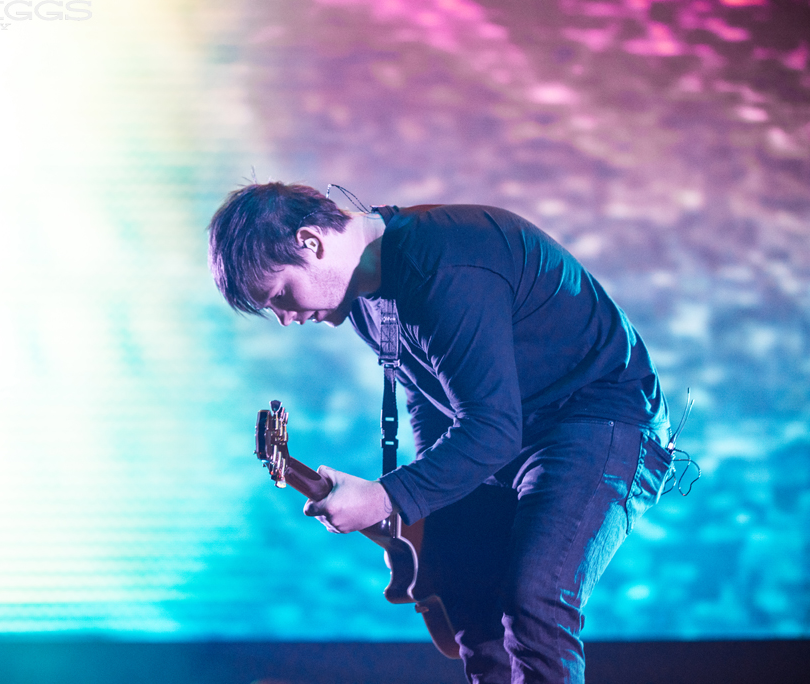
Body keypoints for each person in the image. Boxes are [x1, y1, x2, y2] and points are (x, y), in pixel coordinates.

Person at [206, 182, 674, 684]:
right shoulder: (364, 296)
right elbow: (430, 396)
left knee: (534, 599)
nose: (285, 319)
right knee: (467, 598)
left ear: (311, 242)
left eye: (279, 294)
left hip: (600, 420)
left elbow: (492, 428)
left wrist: (387, 496)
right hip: (515, 436)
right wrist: (431, 510)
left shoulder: (444, 268)